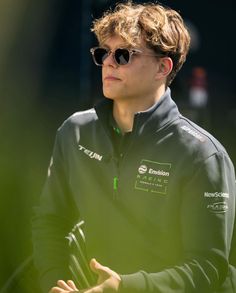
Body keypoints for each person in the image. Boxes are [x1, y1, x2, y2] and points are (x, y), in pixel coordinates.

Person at [32, 1, 236, 293]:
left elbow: (208, 268)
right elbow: (50, 222)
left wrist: (126, 287)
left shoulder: (203, 155)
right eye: (103, 53)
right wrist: (57, 283)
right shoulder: (74, 132)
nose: (108, 63)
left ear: (162, 67)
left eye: (123, 55)